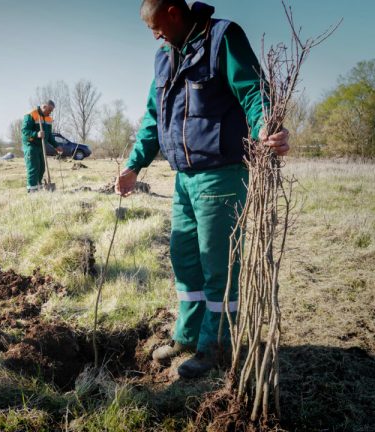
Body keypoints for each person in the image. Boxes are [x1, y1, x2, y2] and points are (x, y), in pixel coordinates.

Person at [116, 0, 290, 378]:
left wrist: (265, 128)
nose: (155, 35)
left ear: (175, 13)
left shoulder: (223, 38)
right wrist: (134, 165)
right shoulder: (165, 56)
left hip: (220, 174)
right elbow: (153, 115)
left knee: (217, 264)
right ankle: (189, 335)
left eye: (156, 26)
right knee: (185, 259)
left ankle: (218, 346)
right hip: (183, 178)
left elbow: (253, 91)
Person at [21, 100, 62, 192]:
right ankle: (32, 190)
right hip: (31, 145)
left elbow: (49, 135)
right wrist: (36, 134)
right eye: (49, 110)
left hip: (41, 146)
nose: (50, 112)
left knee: (42, 168)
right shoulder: (31, 114)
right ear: (44, 107)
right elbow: (24, 130)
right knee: (33, 168)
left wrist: (56, 145)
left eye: (52, 110)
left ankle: (38, 187)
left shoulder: (48, 119)